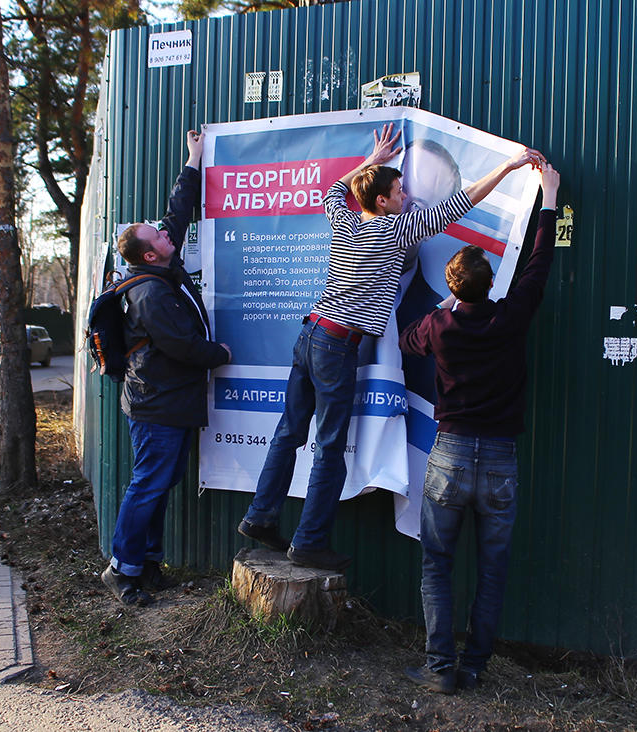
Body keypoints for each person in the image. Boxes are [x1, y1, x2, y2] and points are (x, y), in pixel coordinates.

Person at [237, 121, 544, 571]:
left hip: (310, 336)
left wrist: (372, 162)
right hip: (337, 345)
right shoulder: (394, 231)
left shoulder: (345, 220)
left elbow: (331, 192)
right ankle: (308, 542)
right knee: (329, 446)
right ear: (382, 202)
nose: (406, 197)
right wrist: (511, 165)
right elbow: (464, 201)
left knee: (289, 430)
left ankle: (260, 515)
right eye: (399, 192)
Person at [398, 163, 561, 694]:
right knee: (492, 569)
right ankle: (474, 665)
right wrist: (550, 198)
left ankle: (439, 668)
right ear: (493, 283)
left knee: (436, 563)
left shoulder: (439, 326)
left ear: (451, 286)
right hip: (498, 460)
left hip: (448, 456)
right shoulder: (511, 316)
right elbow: (538, 265)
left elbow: (407, 342)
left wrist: (445, 304)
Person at [100, 130, 233, 606]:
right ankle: (123, 569)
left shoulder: (157, 265)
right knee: (148, 484)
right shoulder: (150, 292)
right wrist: (221, 355)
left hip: (169, 401)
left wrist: (194, 158)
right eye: (155, 234)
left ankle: (147, 564)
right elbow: (180, 345)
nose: (163, 230)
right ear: (151, 253)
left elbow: (177, 211)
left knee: (159, 482)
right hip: (156, 403)